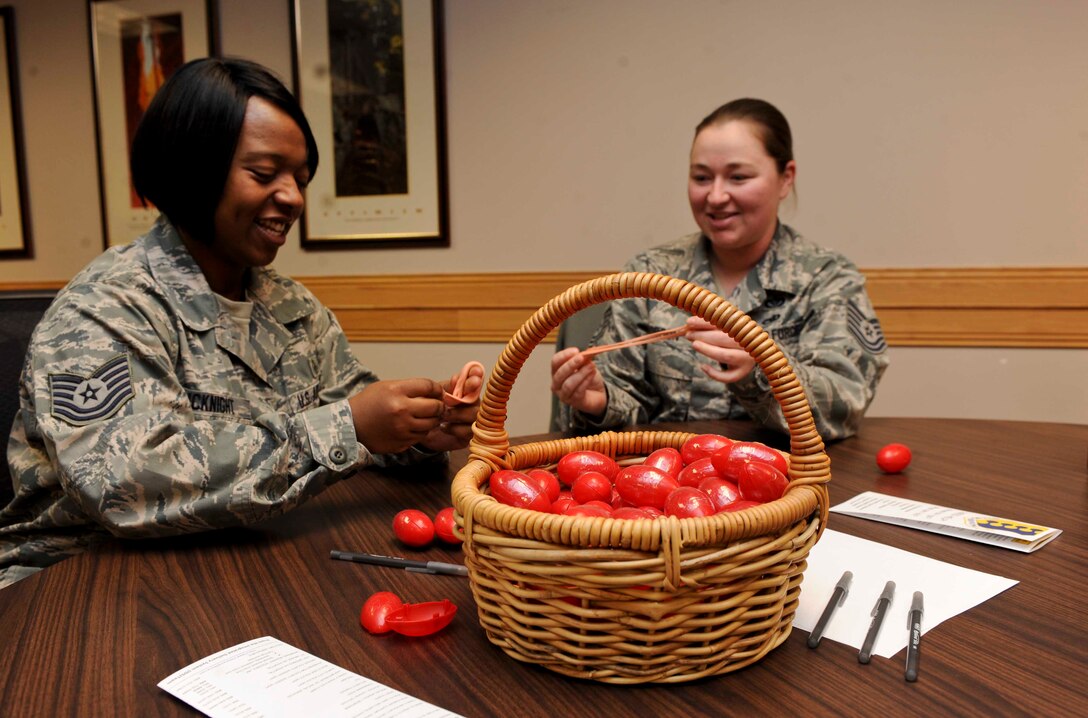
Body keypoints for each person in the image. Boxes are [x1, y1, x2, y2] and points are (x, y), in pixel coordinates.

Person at [0, 57, 482, 589]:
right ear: (192, 171)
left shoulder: (291, 305)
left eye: (300, 180)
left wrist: (417, 432)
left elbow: (353, 411)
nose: (294, 199)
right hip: (78, 583)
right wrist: (350, 426)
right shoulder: (102, 309)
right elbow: (126, 485)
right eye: (264, 173)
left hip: (236, 564)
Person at [551, 98, 888, 441]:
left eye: (738, 177)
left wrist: (761, 368)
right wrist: (598, 401)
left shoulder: (826, 278)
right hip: (672, 481)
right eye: (701, 177)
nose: (715, 196)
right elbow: (627, 405)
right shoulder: (651, 274)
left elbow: (844, 404)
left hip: (787, 480)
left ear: (786, 179)